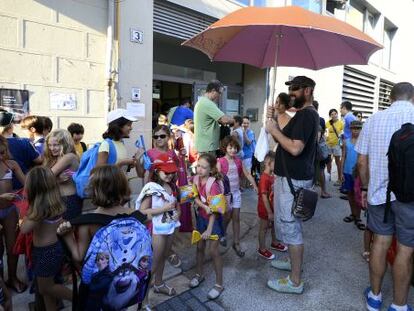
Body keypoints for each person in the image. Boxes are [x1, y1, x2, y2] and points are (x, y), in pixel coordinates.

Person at [356, 82, 414, 311]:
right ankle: (399, 306)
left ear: (390, 98)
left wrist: (365, 188)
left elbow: (361, 161)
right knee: (406, 249)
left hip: (379, 194)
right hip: (410, 197)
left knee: (380, 242)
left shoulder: (373, 120)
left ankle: (375, 297)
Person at [57, 165, 147, 310]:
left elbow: (79, 257)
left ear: (94, 191)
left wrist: (67, 236)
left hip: (99, 289)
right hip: (128, 284)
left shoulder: (87, 222)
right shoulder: (137, 216)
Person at [265, 76, 319, 294]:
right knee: (288, 224)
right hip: (289, 179)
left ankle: (295, 281)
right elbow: (287, 140)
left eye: (295, 89)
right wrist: (275, 122)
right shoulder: (302, 115)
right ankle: (291, 262)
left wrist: (273, 130)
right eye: (291, 88)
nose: (291, 93)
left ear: (308, 91)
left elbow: (295, 148)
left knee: (291, 228)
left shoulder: (307, 115)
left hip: (292, 181)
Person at [20, 166, 72, 310]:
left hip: (45, 252)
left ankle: (79, 298)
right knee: (48, 287)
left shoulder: (39, 209)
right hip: (54, 249)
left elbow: (24, 229)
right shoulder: (54, 202)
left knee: (45, 288)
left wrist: (24, 216)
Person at [136, 153, 181, 297]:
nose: (169, 174)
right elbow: (142, 213)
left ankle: (159, 283)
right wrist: (164, 209)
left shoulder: (171, 185)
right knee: (154, 264)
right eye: (166, 172)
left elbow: (176, 206)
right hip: (157, 230)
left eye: (172, 172)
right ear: (157, 171)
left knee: (163, 257)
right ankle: (142, 296)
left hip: (169, 227)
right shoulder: (151, 188)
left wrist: (177, 214)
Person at [189, 153, 224, 300]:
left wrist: (209, 229)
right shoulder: (195, 179)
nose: (200, 169)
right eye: (198, 166)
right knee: (199, 247)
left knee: (213, 251)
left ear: (211, 169)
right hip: (201, 218)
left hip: (213, 221)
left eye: (204, 167)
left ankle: (219, 284)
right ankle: (199, 274)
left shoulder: (213, 185)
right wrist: (203, 206)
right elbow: (194, 197)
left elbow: (215, 211)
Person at [217, 136, 258, 257]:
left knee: (236, 217)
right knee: (227, 216)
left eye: (235, 148)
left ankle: (236, 242)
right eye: (230, 147)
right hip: (225, 195)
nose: (233, 150)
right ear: (225, 148)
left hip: (236, 194)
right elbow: (217, 178)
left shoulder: (239, 161)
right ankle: (221, 232)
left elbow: (246, 173)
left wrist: (254, 185)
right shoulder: (220, 161)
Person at [0, 137, 26, 294]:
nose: (0, 156)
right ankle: (1, 284)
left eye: (2, 152)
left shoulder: (11, 164)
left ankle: (12, 278)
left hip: (10, 211)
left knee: (12, 248)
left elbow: (27, 183)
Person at [44, 129, 82, 220]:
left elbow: (44, 177)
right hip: (58, 199)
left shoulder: (69, 157)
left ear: (65, 143)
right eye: (49, 145)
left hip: (68, 200)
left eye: (56, 145)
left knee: (64, 231)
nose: (52, 148)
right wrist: (56, 180)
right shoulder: (55, 158)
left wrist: (54, 179)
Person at [0, 111, 42, 190]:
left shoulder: (23, 142)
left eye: (3, 152)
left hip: (20, 191)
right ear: (10, 127)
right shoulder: (24, 142)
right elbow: (39, 160)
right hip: (20, 190)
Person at [257, 152, 287, 260]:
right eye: (276, 163)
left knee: (275, 225)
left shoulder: (272, 176)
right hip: (265, 209)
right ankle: (262, 249)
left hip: (273, 207)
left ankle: (274, 242)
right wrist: (269, 212)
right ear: (267, 162)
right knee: (263, 228)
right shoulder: (264, 178)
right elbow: (264, 197)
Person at [194, 80, 234, 155]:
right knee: (209, 166)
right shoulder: (207, 103)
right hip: (208, 147)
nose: (220, 96)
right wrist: (235, 120)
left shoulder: (202, 102)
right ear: (213, 91)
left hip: (204, 145)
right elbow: (224, 119)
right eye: (219, 93)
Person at [97, 109, 142, 174]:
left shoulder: (121, 143)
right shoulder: (106, 144)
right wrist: (121, 163)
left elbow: (121, 169)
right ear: (118, 126)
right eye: (128, 125)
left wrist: (129, 165)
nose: (131, 128)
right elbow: (99, 172)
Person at [341, 121, 365, 230]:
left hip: (358, 173)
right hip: (347, 171)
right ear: (350, 129)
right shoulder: (346, 142)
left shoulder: (363, 143)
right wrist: (341, 172)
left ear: (361, 130)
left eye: (358, 128)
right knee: (350, 194)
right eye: (353, 128)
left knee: (358, 196)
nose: (355, 130)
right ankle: (353, 214)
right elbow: (344, 156)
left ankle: (358, 217)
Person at [313, 100, 331, 199]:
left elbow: (319, 135)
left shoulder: (318, 120)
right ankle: (323, 191)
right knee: (320, 170)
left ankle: (321, 190)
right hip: (318, 150)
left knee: (318, 169)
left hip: (315, 149)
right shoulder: (321, 120)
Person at [326, 108, 344, 186]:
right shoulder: (327, 123)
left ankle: (339, 179)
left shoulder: (341, 123)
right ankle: (328, 177)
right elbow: (325, 133)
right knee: (328, 162)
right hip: (328, 144)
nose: (333, 115)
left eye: (335, 113)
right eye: (332, 114)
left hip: (336, 145)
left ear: (337, 114)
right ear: (330, 116)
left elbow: (342, 135)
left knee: (338, 162)